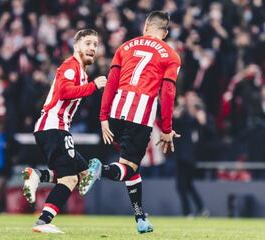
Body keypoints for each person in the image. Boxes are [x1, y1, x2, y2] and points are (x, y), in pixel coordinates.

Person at [80, 11, 181, 234]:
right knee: (127, 167)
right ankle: (100, 171)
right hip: (140, 115)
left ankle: (140, 218)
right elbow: (168, 93)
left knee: (130, 169)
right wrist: (166, 129)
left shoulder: (125, 47)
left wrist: (103, 117)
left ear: (146, 26)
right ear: (165, 32)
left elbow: (111, 83)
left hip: (116, 110)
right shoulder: (171, 55)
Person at [21, 29, 107, 233]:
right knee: (70, 179)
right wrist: (94, 86)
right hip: (55, 127)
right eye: (88, 43)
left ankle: (38, 175)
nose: (92, 48)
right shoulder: (71, 66)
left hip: (52, 128)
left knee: (84, 174)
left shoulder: (82, 73)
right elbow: (64, 91)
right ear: (76, 46)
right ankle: (43, 222)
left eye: (95, 44)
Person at [172, 91, 209, 217]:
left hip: (190, 154)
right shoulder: (183, 114)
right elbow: (174, 118)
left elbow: (203, 126)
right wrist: (181, 106)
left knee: (183, 185)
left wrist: (199, 113)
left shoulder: (198, 113)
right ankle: (200, 209)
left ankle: (189, 211)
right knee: (186, 185)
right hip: (183, 153)